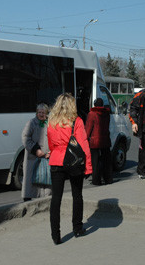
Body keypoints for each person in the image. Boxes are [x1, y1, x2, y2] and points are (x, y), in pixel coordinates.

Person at [47, 93, 92, 245]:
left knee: (56, 199)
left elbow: (51, 144)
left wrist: (55, 153)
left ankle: (55, 235)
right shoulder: (76, 121)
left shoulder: (52, 121)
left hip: (56, 160)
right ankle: (77, 228)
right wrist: (88, 167)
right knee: (77, 195)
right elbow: (84, 144)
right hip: (74, 161)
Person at [21, 103, 51, 202]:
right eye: (39, 112)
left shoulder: (50, 123)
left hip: (46, 157)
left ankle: (45, 202)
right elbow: (25, 138)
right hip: (33, 157)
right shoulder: (31, 123)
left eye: (43, 112)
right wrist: (36, 150)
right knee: (30, 182)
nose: (41, 114)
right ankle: (27, 203)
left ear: (47, 113)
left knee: (45, 180)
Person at [85, 98, 112, 185]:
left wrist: (85, 138)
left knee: (95, 161)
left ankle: (96, 180)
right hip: (105, 140)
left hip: (95, 141)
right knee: (106, 161)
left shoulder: (92, 114)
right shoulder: (107, 113)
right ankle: (108, 179)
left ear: (94, 104)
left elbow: (88, 128)